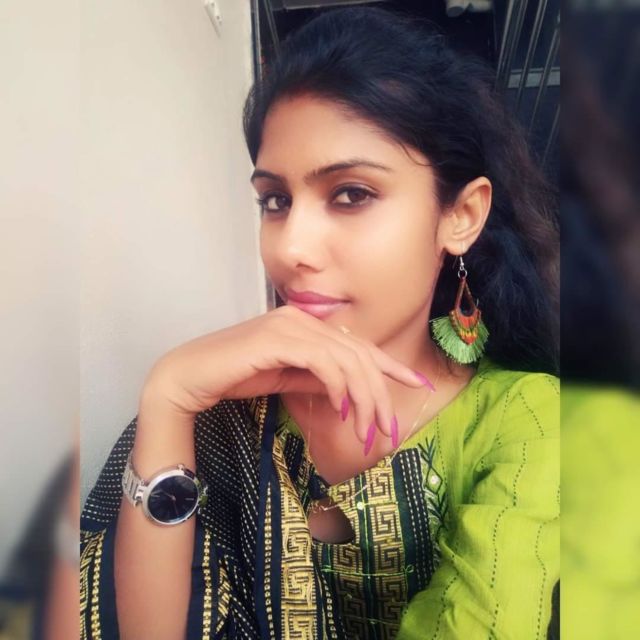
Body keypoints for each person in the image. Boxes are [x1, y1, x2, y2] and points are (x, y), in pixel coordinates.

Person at [80, 7, 559, 639]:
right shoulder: (224, 410)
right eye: (275, 200)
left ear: (461, 215)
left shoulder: (525, 423)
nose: (291, 248)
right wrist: (168, 395)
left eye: (351, 194)